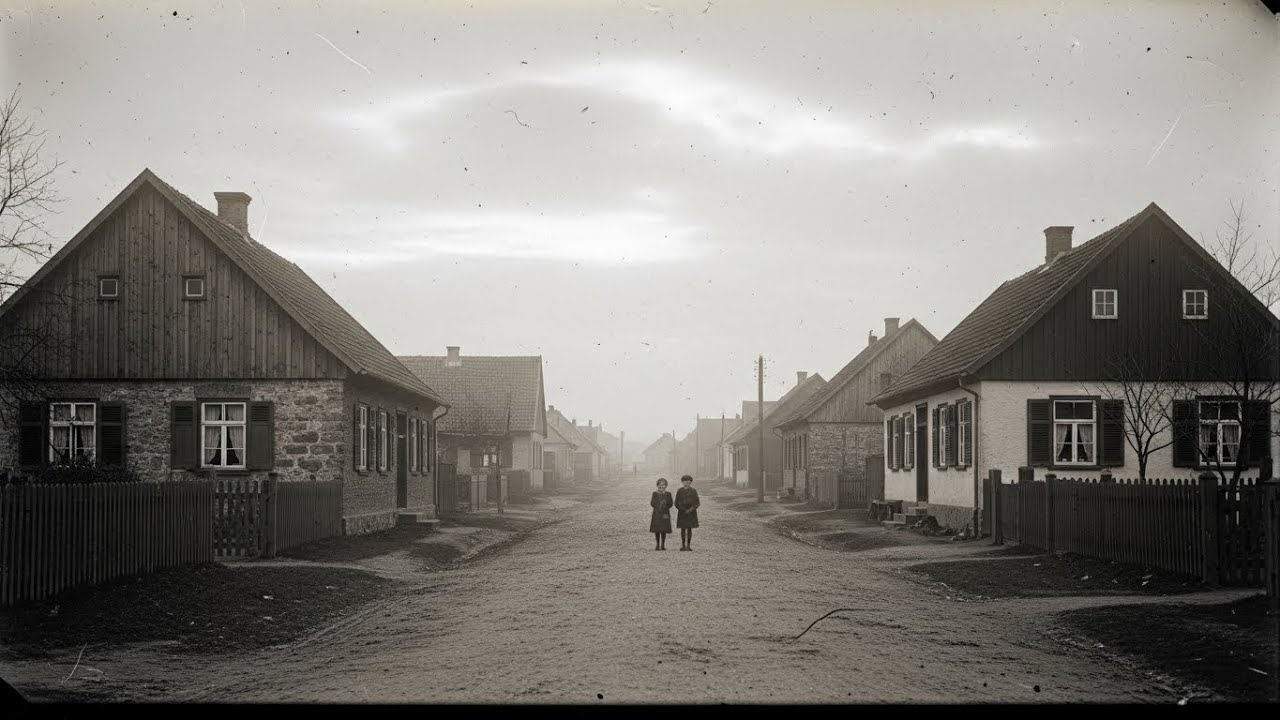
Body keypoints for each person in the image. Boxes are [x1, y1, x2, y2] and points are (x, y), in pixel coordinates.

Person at [674, 474, 700, 551]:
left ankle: (688, 546)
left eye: (688, 481)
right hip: (682, 513)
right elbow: (676, 502)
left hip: (691, 513)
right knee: (682, 529)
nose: (687, 482)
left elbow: (697, 502)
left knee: (689, 529)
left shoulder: (693, 491)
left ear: (691, 482)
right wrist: (683, 509)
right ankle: (683, 546)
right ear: (682, 482)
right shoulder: (679, 491)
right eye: (685, 481)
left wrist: (691, 509)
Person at [649, 478, 673, 550]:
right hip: (657, 514)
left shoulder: (668, 494)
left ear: (666, 486)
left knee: (664, 529)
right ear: (657, 485)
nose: (661, 486)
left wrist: (665, 504)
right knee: (657, 529)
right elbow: (652, 503)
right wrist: (659, 506)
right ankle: (657, 544)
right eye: (660, 485)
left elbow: (671, 503)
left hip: (665, 513)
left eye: (663, 485)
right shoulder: (655, 493)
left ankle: (662, 545)